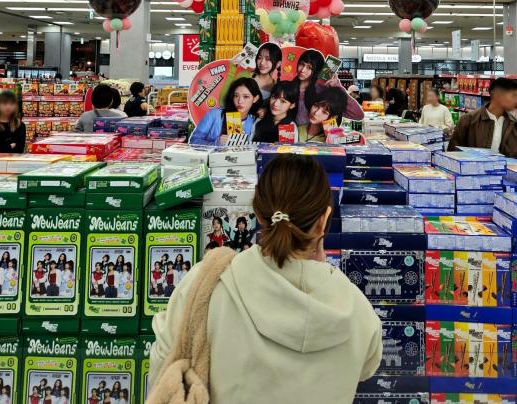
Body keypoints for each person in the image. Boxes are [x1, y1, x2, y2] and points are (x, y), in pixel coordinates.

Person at [149, 154, 383, 404]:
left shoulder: (205, 285)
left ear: (258, 215)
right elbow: (366, 368)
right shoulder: (361, 315)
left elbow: (163, 370)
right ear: (323, 221)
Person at [448, 78, 517, 159]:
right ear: (498, 95)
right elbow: (453, 154)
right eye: (513, 96)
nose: (516, 101)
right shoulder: (468, 120)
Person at [292, 50, 364, 128]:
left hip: (317, 137)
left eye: (309, 67)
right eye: (301, 64)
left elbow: (357, 114)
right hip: (292, 135)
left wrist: (338, 87)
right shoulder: (289, 87)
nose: (302, 70)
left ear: (317, 71)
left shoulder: (322, 90)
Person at [190, 78, 262, 145]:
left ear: (255, 98)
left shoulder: (253, 122)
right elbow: (194, 141)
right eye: (236, 96)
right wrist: (216, 143)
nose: (240, 101)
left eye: (246, 96)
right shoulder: (215, 114)